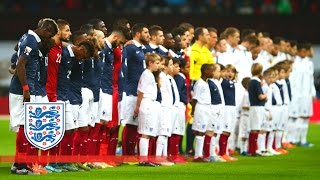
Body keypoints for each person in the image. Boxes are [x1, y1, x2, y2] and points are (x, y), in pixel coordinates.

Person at [9, 18, 58, 175]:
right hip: (23, 90)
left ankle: (20, 163)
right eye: (49, 35)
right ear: (44, 30)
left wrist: (12, 66)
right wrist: (25, 89)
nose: (49, 38)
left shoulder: (28, 38)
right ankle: (21, 165)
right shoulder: (31, 40)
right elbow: (22, 63)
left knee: (28, 127)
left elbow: (17, 51)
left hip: (29, 88)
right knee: (25, 127)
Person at [122, 23, 150, 155]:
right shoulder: (131, 48)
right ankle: (126, 154)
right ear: (138, 34)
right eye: (145, 32)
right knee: (130, 124)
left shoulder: (141, 49)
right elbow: (124, 67)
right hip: (131, 90)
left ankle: (130, 154)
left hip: (138, 91)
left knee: (136, 125)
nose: (148, 35)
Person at [134, 53, 161, 166]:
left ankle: (146, 159)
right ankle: (143, 159)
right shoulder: (146, 74)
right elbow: (141, 91)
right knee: (145, 132)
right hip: (147, 103)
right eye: (157, 63)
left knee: (148, 133)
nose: (159, 66)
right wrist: (138, 106)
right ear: (150, 63)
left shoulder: (150, 74)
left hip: (151, 104)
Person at [191, 64, 214, 162]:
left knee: (204, 131)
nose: (212, 73)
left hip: (207, 108)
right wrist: (193, 111)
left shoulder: (206, 83)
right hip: (201, 108)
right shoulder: (199, 83)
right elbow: (195, 98)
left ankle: (201, 154)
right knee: (200, 131)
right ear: (205, 71)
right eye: (211, 70)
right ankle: (197, 156)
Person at [248, 63, 267, 156]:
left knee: (254, 129)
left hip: (253, 107)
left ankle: (252, 150)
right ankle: (253, 151)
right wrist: (266, 96)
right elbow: (260, 96)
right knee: (255, 129)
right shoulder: (256, 82)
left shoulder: (252, 81)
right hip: (257, 107)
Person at [238, 77, 251, 155]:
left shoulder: (249, 94)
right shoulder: (245, 94)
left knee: (247, 133)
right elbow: (243, 106)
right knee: (244, 133)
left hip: (248, 115)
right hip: (245, 115)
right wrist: (251, 107)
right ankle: (242, 149)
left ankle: (245, 149)